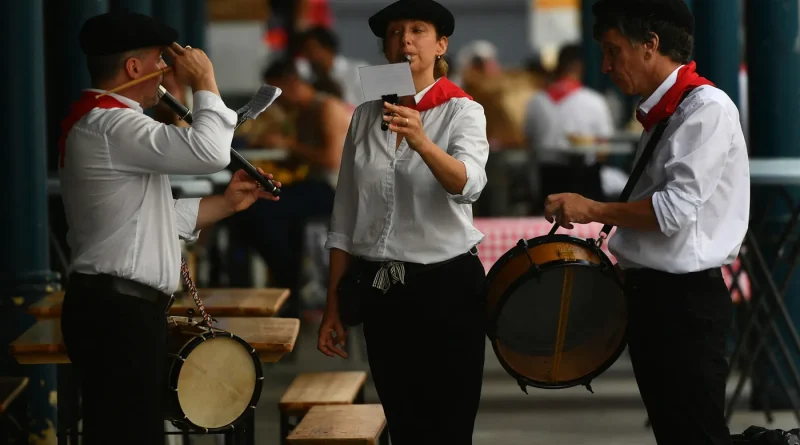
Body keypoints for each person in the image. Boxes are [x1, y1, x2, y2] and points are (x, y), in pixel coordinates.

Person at [58, 11, 279, 445]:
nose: (164, 70)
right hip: (116, 311)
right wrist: (205, 79)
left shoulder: (109, 123)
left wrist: (226, 204)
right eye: (159, 60)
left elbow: (153, 217)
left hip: (117, 309)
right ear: (133, 67)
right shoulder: (111, 123)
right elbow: (210, 151)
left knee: (130, 431)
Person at [543, 1, 749, 444]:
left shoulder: (706, 108)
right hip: (656, 296)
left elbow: (672, 211)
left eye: (614, 51)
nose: (606, 65)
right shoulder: (666, 112)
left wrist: (592, 209)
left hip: (684, 299)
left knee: (695, 432)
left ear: (651, 45)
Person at [316, 0, 490, 443]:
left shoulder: (462, 111)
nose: (405, 40)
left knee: (449, 427)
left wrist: (422, 141)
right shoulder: (365, 114)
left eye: (417, 30)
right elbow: (345, 215)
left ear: (440, 45)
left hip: (447, 286)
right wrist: (332, 304)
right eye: (394, 32)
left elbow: (468, 185)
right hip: (382, 289)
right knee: (404, 424)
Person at [239, 58, 350, 317]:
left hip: (335, 189)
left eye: (274, 93)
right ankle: (288, 284)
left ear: (290, 83)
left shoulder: (325, 107)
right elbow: (297, 159)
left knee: (263, 213)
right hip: (311, 184)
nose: (274, 102)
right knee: (256, 214)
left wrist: (287, 144)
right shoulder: (301, 112)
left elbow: (331, 160)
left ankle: (289, 284)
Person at [523, 43, 616, 206]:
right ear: (579, 67)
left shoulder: (536, 101)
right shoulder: (594, 101)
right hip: (586, 183)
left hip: (547, 181)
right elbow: (603, 150)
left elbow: (529, 142)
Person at [296, 26, 368, 107]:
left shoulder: (358, 71)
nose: (307, 57)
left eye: (311, 50)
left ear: (328, 49)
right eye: (304, 52)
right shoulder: (307, 78)